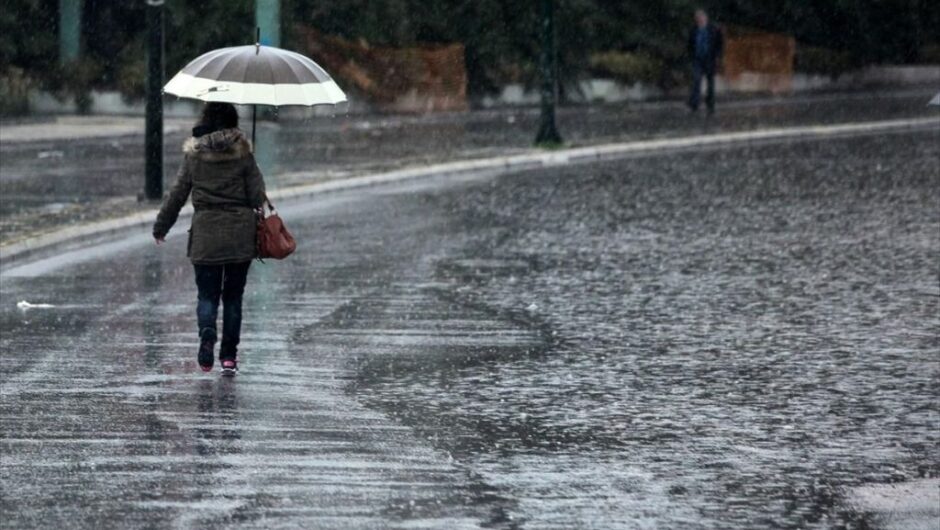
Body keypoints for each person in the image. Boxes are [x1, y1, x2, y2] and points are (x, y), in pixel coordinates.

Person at [152, 102, 267, 375]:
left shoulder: (195, 155)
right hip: (239, 236)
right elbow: (256, 197)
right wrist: (252, 167)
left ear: (205, 121)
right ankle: (229, 358)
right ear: (233, 122)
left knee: (207, 295)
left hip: (206, 235)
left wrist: (161, 227)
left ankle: (207, 333)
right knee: (233, 297)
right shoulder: (243, 153)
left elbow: (177, 194)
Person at [686, 9, 724, 114]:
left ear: (706, 18)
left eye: (701, 18)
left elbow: (720, 44)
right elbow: (690, 44)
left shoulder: (714, 29)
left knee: (710, 83)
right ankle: (694, 104)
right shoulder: (693, 30)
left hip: (710, 58)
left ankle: (710, 104)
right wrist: (691, 56)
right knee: (696, 80)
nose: (700, 20)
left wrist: (718, 56)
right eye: (698, 18)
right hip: (697, 59)